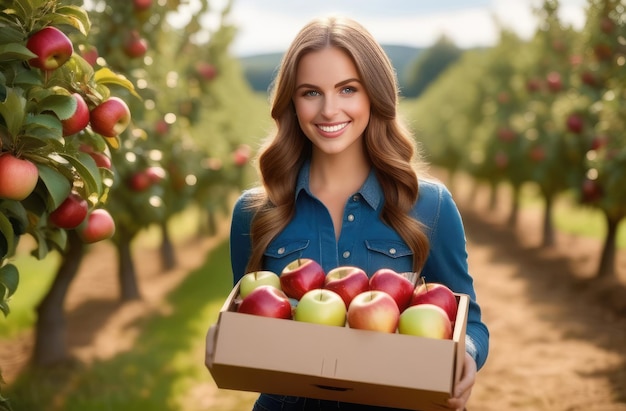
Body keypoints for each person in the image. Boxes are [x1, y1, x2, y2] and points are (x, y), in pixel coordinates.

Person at [228, 15, 489, 411]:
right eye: (310, 92)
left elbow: (468, 318)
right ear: (291, 102)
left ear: (374, 95)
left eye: (348, 89)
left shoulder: (429, 204)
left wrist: (464, 356)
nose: (330, 110)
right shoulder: (256, 212)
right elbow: (246, 322)